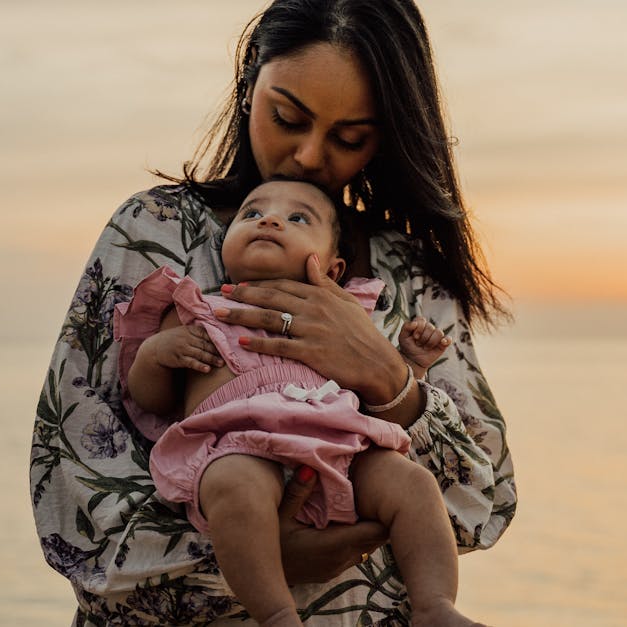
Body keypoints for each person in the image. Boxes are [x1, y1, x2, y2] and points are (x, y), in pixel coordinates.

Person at [30, 0, 516, 624]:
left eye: (349, 138)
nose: (310, 157)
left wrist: (391, 382)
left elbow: (482, 505)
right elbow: (73, 499)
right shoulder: (155, 234)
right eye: (287, 117)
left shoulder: (409, 270)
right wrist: (258, 553)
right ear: (247, 86)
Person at [115, 179, 480, 627]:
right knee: (235, 491)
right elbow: (152, 403)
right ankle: (276, 614)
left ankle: (434, 605)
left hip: (341, 443)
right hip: (238, 445)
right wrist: (155, 356)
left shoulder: (347, 314)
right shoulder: (194, 307)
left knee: (413, 485)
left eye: (297, 218)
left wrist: (410, 364)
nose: (269, 220)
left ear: (332, 267)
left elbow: (369, 384)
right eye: (251, 214)